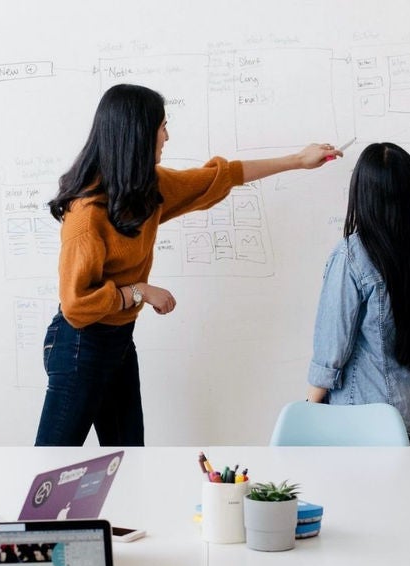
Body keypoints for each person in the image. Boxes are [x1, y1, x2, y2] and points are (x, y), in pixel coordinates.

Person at [37, 83, 340, 446]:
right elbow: (75, 306)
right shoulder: (86, 216)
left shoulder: (146, 190)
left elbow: (220, 177)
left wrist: (298, 160)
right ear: (137, 134)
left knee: (129, 461)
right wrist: (139, 292)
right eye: (161, 126)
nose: (167, 135)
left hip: (117, 342)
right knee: (53, 466)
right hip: (78, 346)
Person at [306, 142, 410, 446]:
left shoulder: (352, 255)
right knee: (409, 494)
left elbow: (332, 347)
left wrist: (309, 408)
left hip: (363, 419)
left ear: (362, 192)